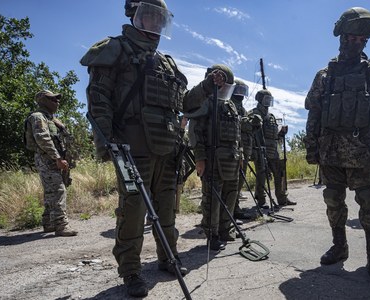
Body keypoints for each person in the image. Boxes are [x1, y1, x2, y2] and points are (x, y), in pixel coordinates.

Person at [80, 0, 229, 297]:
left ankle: (167, 258)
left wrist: (206, 86)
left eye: (160, 20)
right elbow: (99, 101)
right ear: (134, 16)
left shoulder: (166, 63)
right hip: (132, 147)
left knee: (166, 208)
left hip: (167, 147)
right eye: (149, 17)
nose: (156, 25)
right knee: (133, 211)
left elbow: (183, 104)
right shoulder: (115, 49)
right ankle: (131, 271)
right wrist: (108, 144)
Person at [304, 7, 370, 278]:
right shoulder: (325, 75)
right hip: (331, 151)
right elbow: (315, 112)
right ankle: (339, 247)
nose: (357, 44)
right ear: (342, 37)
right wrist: (312, 148)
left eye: (362, 40)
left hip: (365, 153)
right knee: (333, 200)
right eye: (352, 38)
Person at [188, 64, 240, 248]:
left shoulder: (231, 106)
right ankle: (213, 235)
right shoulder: (205, 101)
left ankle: (226, 230)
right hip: (213, 159)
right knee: (212, 198)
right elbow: (195, 131)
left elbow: (236, 134)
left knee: (231, 195)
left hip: (231, 160)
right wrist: (200, 158)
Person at [24, 90, 78, 237]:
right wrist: (57, 158)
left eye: (57, 99)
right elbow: (43, 139)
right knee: (58, 190)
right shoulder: (38, 117)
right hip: (47, 159)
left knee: (51, 191)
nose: (57, 102)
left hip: (54, 159)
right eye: (53, 99)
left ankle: (48, 223)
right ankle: (61, 226)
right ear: (42, 101)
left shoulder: (51, 119)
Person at [250, 89, 296, 207]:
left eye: (270, 100)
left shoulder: (271, 116)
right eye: (266, 99)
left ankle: (282, 199)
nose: (268, 102)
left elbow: (275, 136)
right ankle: (261, 200)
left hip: (273, 150)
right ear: (259, 99)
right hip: (260, 149)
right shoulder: (254, 113)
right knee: (262, 175)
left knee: (279, 173)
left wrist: (281, 133)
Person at [231, 79, 257, 220]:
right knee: (233, 180)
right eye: (238, 90)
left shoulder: (242, 108)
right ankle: (231, 209)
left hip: (244, 149)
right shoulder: (230, 105)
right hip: (233, 148)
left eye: (243, 91)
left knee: (240, 179)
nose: (241, 94)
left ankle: (234, 207)